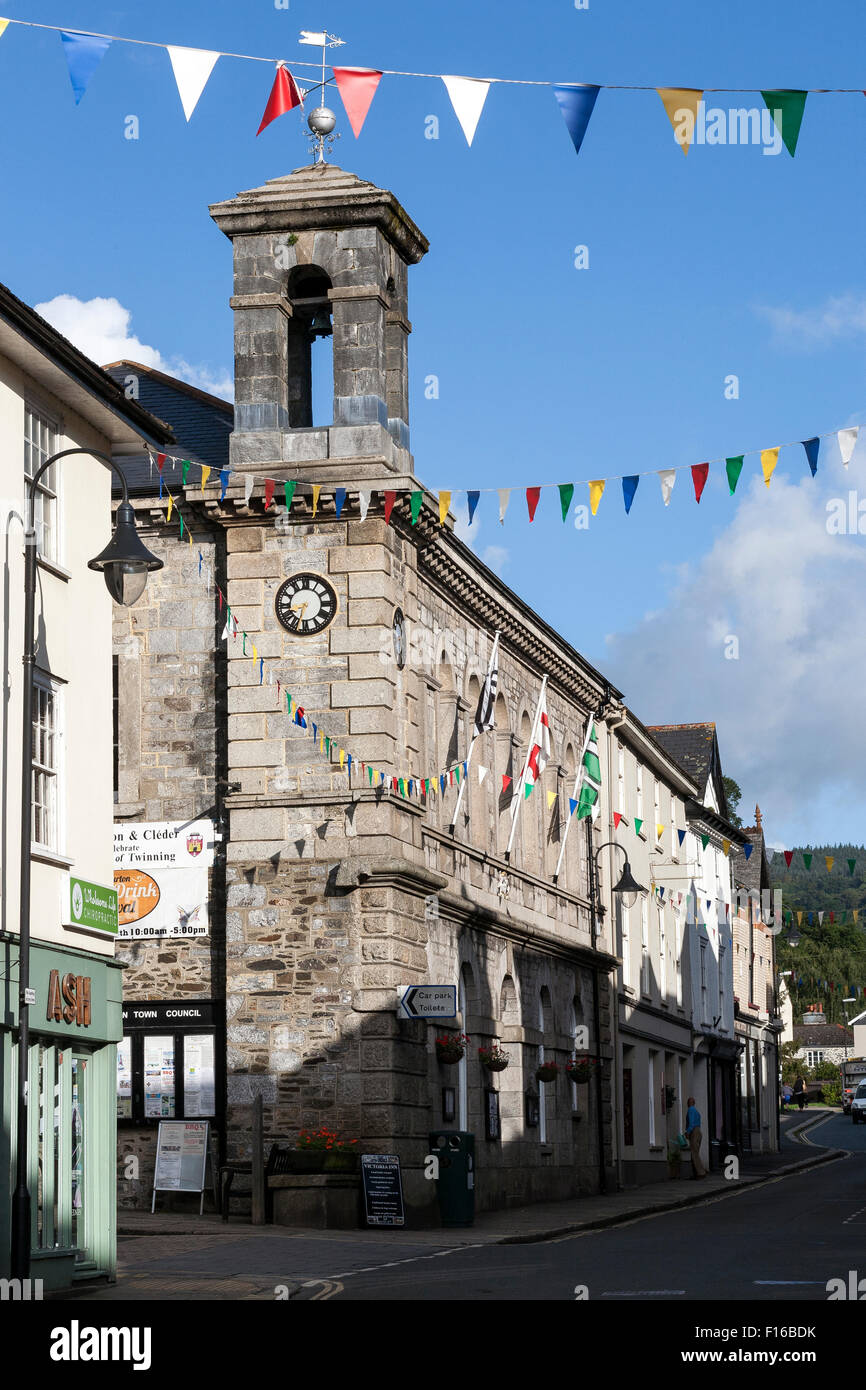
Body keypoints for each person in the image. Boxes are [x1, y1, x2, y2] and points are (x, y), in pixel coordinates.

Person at [685, 1096, 707, 1179]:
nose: (687, 1104)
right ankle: (697, 1173)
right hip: (698, 1132)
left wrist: (688, 1132)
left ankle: (701, 1173)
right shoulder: (697, 1112)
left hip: (694, 1132)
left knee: (694, 1154)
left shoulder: (690, 1110)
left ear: (689, 1103)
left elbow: (691, 1123)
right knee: (695, 1153)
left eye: (688, 1102)